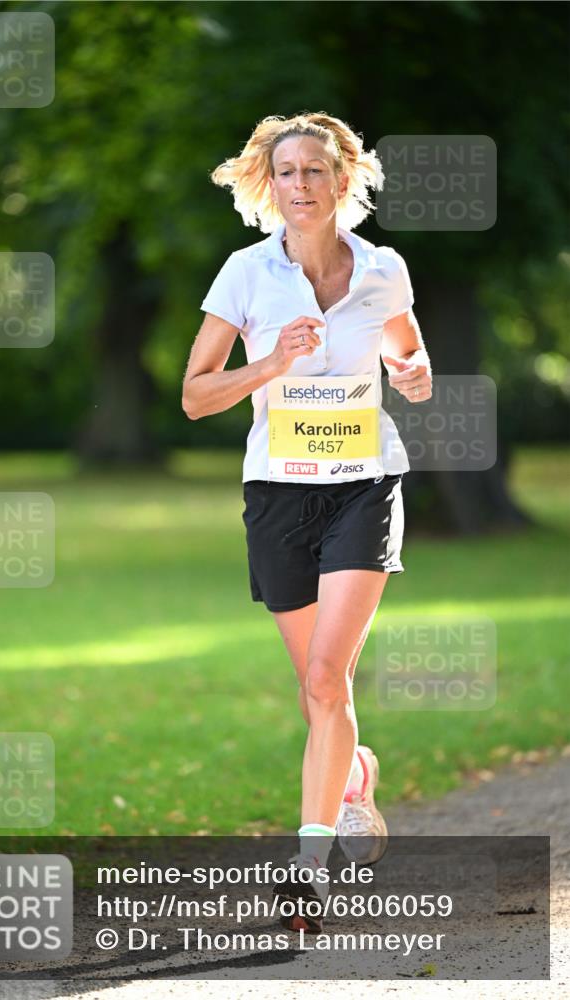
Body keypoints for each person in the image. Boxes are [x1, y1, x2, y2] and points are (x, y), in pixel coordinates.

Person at [182, 112, 432, 934]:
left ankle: (308, 868)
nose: (300, 185)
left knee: (328, 677)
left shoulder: (383, 269)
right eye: (285, 171)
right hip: (279, 496)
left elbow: (405, 349)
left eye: (314, 170)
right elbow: (195, 395)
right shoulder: (245, 275)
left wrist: (414, 371)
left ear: (341, 180)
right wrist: (275, 362)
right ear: (268, 183)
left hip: (365, 483)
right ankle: (353, 773)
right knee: (316, 689)